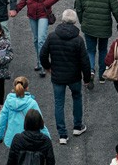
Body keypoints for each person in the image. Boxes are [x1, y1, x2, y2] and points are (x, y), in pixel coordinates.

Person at [39, 8, 91, 145]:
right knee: (77, 98)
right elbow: (85, 62)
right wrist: (87, 79)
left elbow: (42, 54)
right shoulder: (78, 40)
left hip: (57, 76)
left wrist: (48, 67)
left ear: (62, 20)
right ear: (74, 21)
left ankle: (62, 134)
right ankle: (77, 126)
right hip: (74, 77)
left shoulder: (52, 36)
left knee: (59, 103)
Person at [16, 0, 64, 75]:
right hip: (32, 13)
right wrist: (16, 9)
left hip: (43, 14)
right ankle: (38, 61)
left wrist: (46, 4)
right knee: (36, 39)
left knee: (42, 39)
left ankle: (43, 65)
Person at [74, 0, 118, 81]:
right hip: (104, 27)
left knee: (90, 50)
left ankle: (90, 71)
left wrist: (82, 21)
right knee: (103, 50)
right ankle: (102, 75)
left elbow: (78, 7)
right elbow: (115, 9)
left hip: (88, 26)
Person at [0, 78, 49, 148]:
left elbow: (2, 121)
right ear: (27, 88)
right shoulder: (32, 103)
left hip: (12, 139)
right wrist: (47, 138)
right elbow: (40, 122)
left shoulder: (8, 101)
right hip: (29, 140)